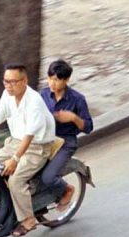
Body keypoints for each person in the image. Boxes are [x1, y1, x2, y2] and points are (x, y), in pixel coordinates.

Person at [0, 64, 56, 237]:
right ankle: (9, 205)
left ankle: (28, 220)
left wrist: (15, 159)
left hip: (36, 147)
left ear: (24, 81)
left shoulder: (34, 101)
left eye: (13, 82)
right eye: (6, 81)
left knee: (16, 180)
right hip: (15, 142)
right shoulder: (7, 95)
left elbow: (30, 135)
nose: (9, 85)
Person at [40, 59, 93, 212]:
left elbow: (89, 127)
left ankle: (67, 189)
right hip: (45, 139)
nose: (52, 83)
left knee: (48, 177)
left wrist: (73, 118)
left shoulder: (77, 99)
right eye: (50, 78)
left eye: (56, 80)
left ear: (66, 80)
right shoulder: (42, 95)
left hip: (65, 143)